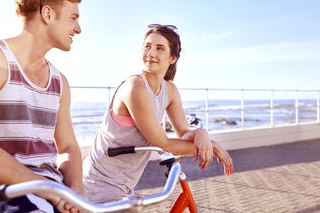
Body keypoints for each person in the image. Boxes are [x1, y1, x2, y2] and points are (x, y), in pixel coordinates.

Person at [0, 0, 83, 213]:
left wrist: (75, 191)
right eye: (73, 18)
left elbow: (68, 148)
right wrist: (47, 189)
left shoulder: (60, 82)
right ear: (48, 14)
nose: (79, 28)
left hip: (52, 192)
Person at [83, 24, 234, 203]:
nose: (151, 53)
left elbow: (184, 133)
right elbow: (163, 144)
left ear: (172, 58)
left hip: (125, 184)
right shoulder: (135, 87)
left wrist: (202, 133)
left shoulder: (169, 90)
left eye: (159, 48)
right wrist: (213, 147)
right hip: (100, 183)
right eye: (147, 46)